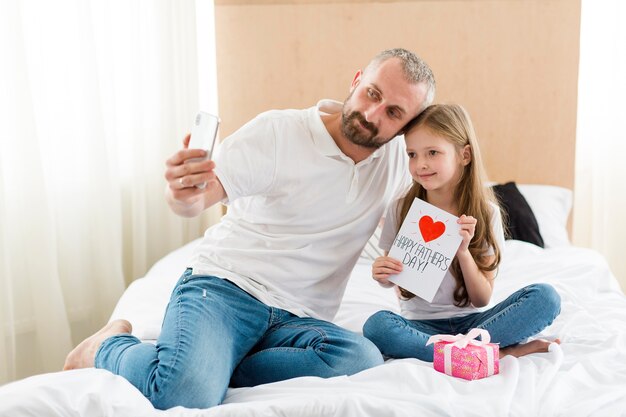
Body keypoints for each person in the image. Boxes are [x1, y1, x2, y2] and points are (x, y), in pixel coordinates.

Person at [63, 48, 436, 410]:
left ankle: (213, 362)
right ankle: (107, 346)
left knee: (360, 357)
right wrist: (181, 190)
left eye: (393, 112)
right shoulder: (279, 132)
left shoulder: (400, 163)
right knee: (184, 394)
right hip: (225, 289)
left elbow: (434, 220)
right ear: (357, 80)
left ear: (407, 125)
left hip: (301, 317)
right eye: (372, 93)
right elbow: (194, 201)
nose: (372, 114)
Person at [362, 104, 561, 362]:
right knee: (377, 326)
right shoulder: (401, 208)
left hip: (478, 323)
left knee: (546, 297)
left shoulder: (486, 214)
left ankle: (455, 354)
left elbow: (481, 299)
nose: (420, 164)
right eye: (412, 154)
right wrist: (383, 274)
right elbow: (395, 280)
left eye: (432, 152)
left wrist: (463, 252)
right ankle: (496, 353)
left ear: (464, 155)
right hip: (420, 326)